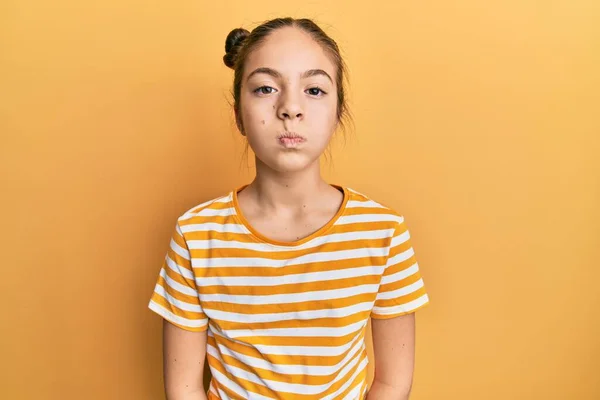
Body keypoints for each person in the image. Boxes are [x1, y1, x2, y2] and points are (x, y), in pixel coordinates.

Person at [148, 17, 430, 400]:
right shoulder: (196, 235)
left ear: (337, 112)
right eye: (265, 88)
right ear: (238, 114)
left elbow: (392, 384)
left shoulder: (383, 233)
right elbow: (183, 389)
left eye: (314, 90)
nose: (290, 108)